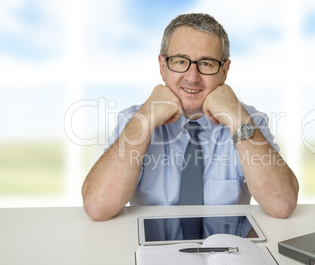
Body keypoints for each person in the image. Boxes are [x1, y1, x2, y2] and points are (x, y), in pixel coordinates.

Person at [82, 13, 299, 221]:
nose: (192, 77)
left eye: (206, 63)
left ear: (224, 71)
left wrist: (236, 116)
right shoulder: (133, 120)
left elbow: (282, 205)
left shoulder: (249, 120)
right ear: (162, 66)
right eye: (180, 61)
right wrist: (145, 120)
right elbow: (98, 207)